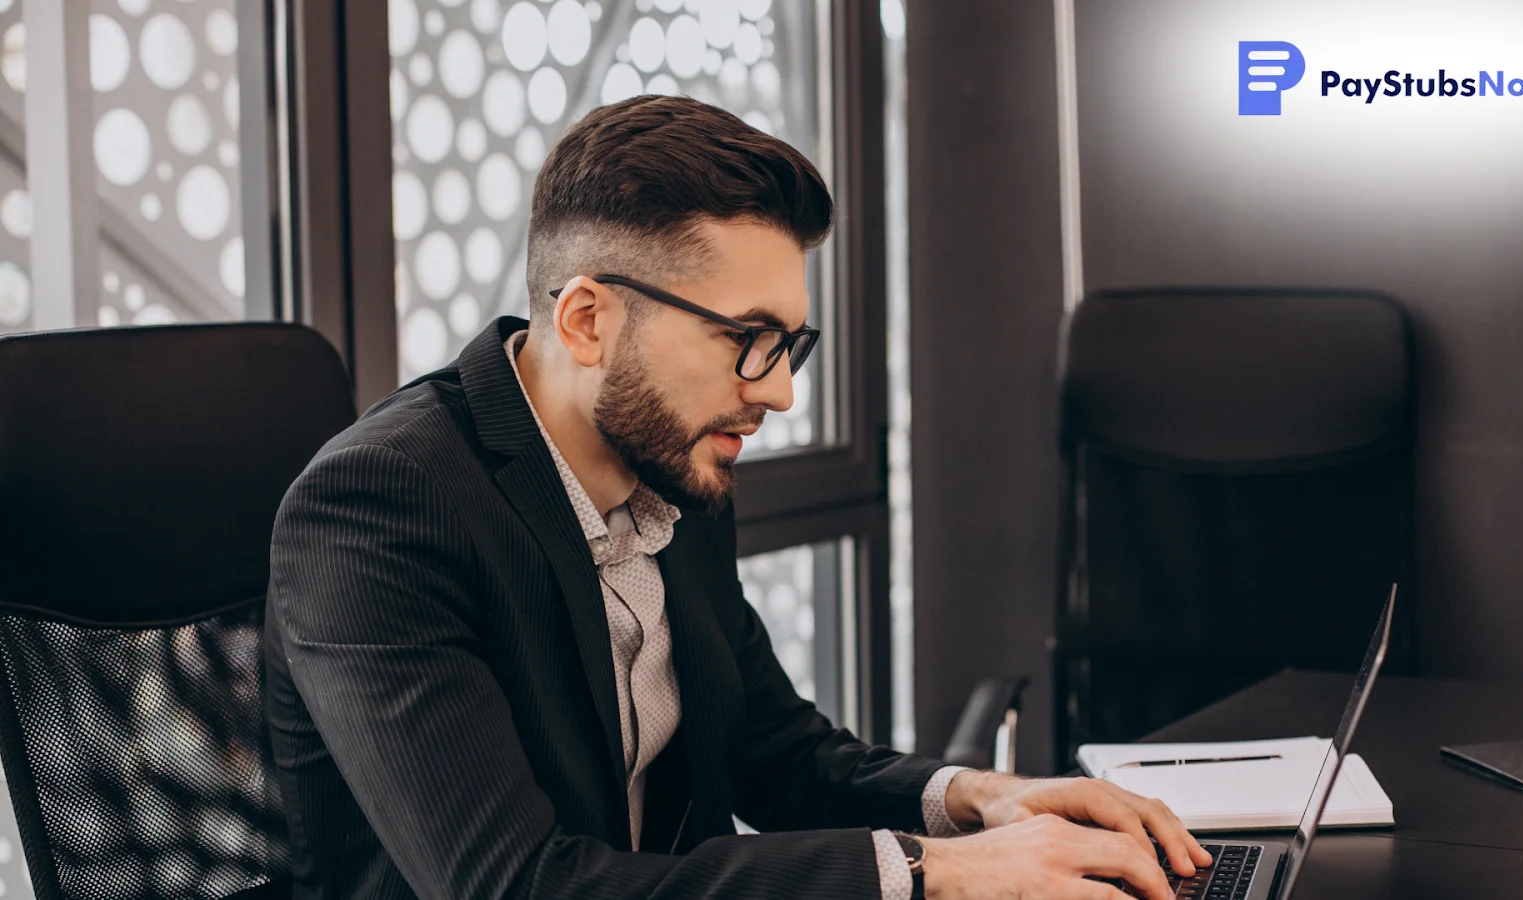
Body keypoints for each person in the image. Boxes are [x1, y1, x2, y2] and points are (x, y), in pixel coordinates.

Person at [262, 94, 1210, 900]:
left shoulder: (673, 461)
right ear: (588, 321)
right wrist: (935, 874)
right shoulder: (381, 508)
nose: (779, 391)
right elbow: (514, 883)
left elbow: (769, 744)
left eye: (789, 345)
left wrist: (982, 803)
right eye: (746, 338)